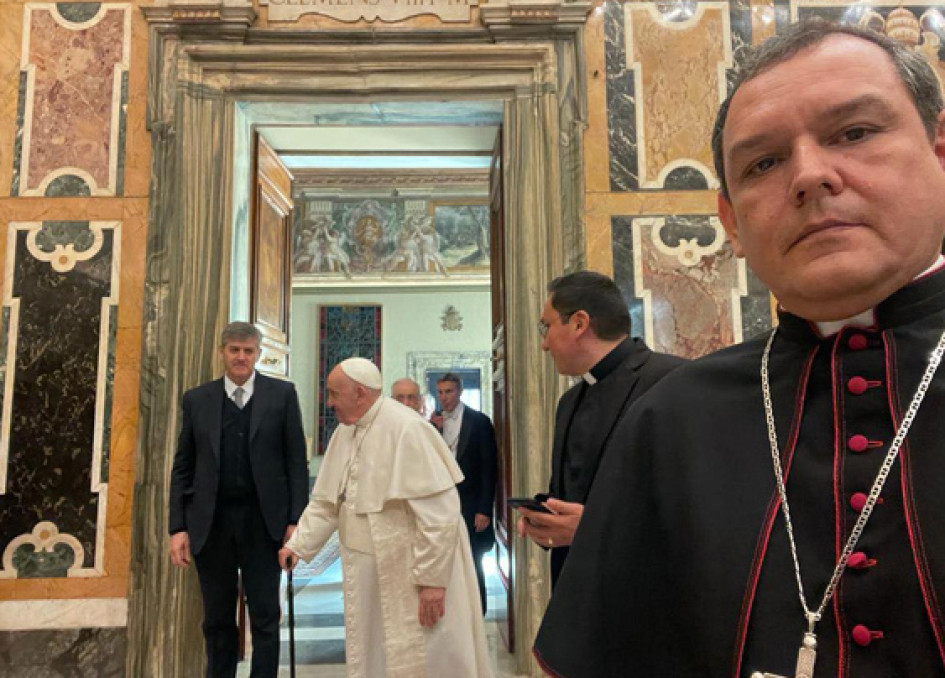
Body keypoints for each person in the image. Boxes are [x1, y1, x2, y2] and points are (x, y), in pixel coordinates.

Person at [535, 20, 945, 678]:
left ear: (938, 149)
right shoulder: (672, 419)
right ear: (731, 223)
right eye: (763, 163)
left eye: (854, 132)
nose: (810, 176)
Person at [280, 358, 493, 678]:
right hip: (368, 571)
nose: (329, 401)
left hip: (411, 570)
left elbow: (439, 516)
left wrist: (433, 582)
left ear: (360, 394)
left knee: (420, 653)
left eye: (334, 393)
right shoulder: (344, 433)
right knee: (374, 653)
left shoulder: (408, 428)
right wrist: (298, 545)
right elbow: (326, 503)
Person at [516, 271, 685, 586]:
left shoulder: (675, 382)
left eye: (546, 326)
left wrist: (594, 530)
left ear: (579, 323)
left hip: (643, 594)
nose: (543, 344)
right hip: (575, 591)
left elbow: (697, 511)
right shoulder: (569, 401)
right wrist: (547, 521)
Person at [168, 321, 308, 678]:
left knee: (265, 615)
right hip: (210, 524)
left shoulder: (282, 395)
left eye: (248, 351)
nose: (241, 357)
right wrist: (178, 527)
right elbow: (183, 467)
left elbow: (295, 462)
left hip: (264, 523)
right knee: (217, 618)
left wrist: (296, 522)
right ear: (222, 352)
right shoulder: (197, 399)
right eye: (234, 350)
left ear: (259, 354)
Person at [430, 373, 498, 613]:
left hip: (470, 503)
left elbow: (488, 468)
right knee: (444, 558)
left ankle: (478, 610)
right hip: (441, 504)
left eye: (448, 391)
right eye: (439, 392)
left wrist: (484, 509)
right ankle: (452, 612)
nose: (444, 397)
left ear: (459, 392)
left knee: (473, 558)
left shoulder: (479, 421)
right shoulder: (432, 424)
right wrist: (434, 430)